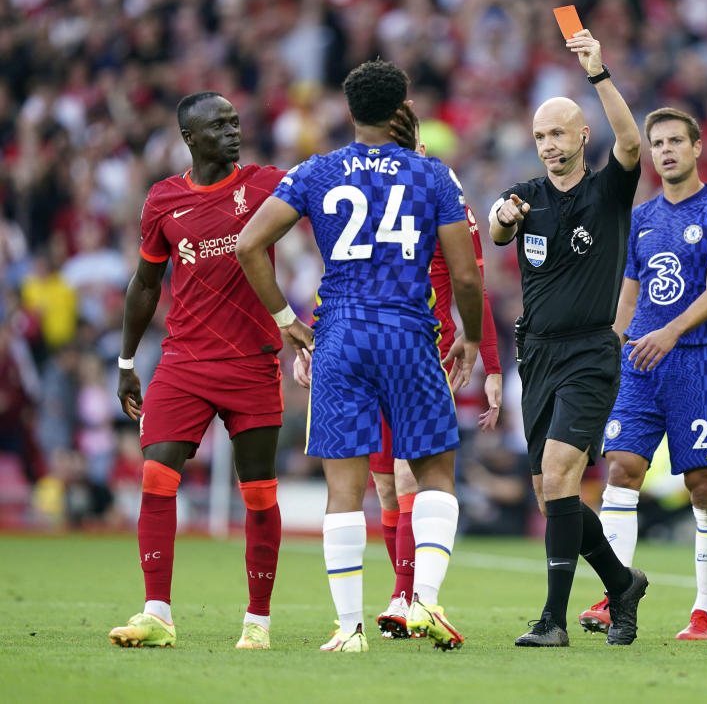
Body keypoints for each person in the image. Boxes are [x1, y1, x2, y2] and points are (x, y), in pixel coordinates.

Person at [236, 60, 483, 653]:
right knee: (434, 474)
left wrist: (287, 321)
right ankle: (421, 601)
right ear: (404, 106)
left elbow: (248, 244)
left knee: (343, 488)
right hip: (408, 331)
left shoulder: (315, 171)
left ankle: (348, 629)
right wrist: (469, 336)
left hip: (340, 333)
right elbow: (468, 276)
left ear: (347, 112)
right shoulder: (433, 175)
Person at [109, 92, 286, 651]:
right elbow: (144, 285)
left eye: (236, 121)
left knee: (258, 492)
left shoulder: (266, 184)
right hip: (185, 360)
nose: (233, 132)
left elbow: (331, 189)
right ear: (191, 137)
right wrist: (127, 361)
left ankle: (257, 622)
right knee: (157, 473)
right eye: (220, 125)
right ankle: (156, 613)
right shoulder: (162, 200)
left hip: (253, 361)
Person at [490, 29, 647, 648]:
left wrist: (599, 74)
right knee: (548, 492)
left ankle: (553, 621)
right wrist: (502, 219)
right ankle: (621, 582)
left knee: (561, 475)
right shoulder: (525, 198)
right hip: (538, 355)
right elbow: (501, 229)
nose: (548, 145)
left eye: (558, 133)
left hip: (589, 352)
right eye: (539, 137)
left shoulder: (608, 191)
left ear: (582, 136)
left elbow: (631, 143)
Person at [576, 107, 707, 642]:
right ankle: (614, 592)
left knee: (702, 484)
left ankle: (705, 612)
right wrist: (609, 353)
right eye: (657, 143)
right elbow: (627, 299)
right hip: (639, 366)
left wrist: (669, 332)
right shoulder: (642, 218)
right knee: (622, 469)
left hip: (697, 361)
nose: (666, 150)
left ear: (697, 148)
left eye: (676, 140)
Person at [367, 112, 502, 640]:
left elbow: (475, 283)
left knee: (408, 475)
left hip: (430, 356)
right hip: (370, 356)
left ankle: (410, 598)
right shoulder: (368, 197)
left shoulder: (447, 196)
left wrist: (490, 360)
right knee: (383, 486)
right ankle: (406, 593)